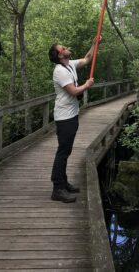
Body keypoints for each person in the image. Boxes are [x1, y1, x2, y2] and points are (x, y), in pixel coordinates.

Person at [48, 36, 101, 203]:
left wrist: (94, 44)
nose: (66, 47)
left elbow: (87, 59)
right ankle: (58, 189)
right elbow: (73, 91)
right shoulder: (60, 71)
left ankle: (63, 183)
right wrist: (87, 85)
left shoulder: (69, 64)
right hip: (64, 117)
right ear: (59, 56)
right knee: (63, 152)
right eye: (62, 48)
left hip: (71, 115)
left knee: (66, 150)